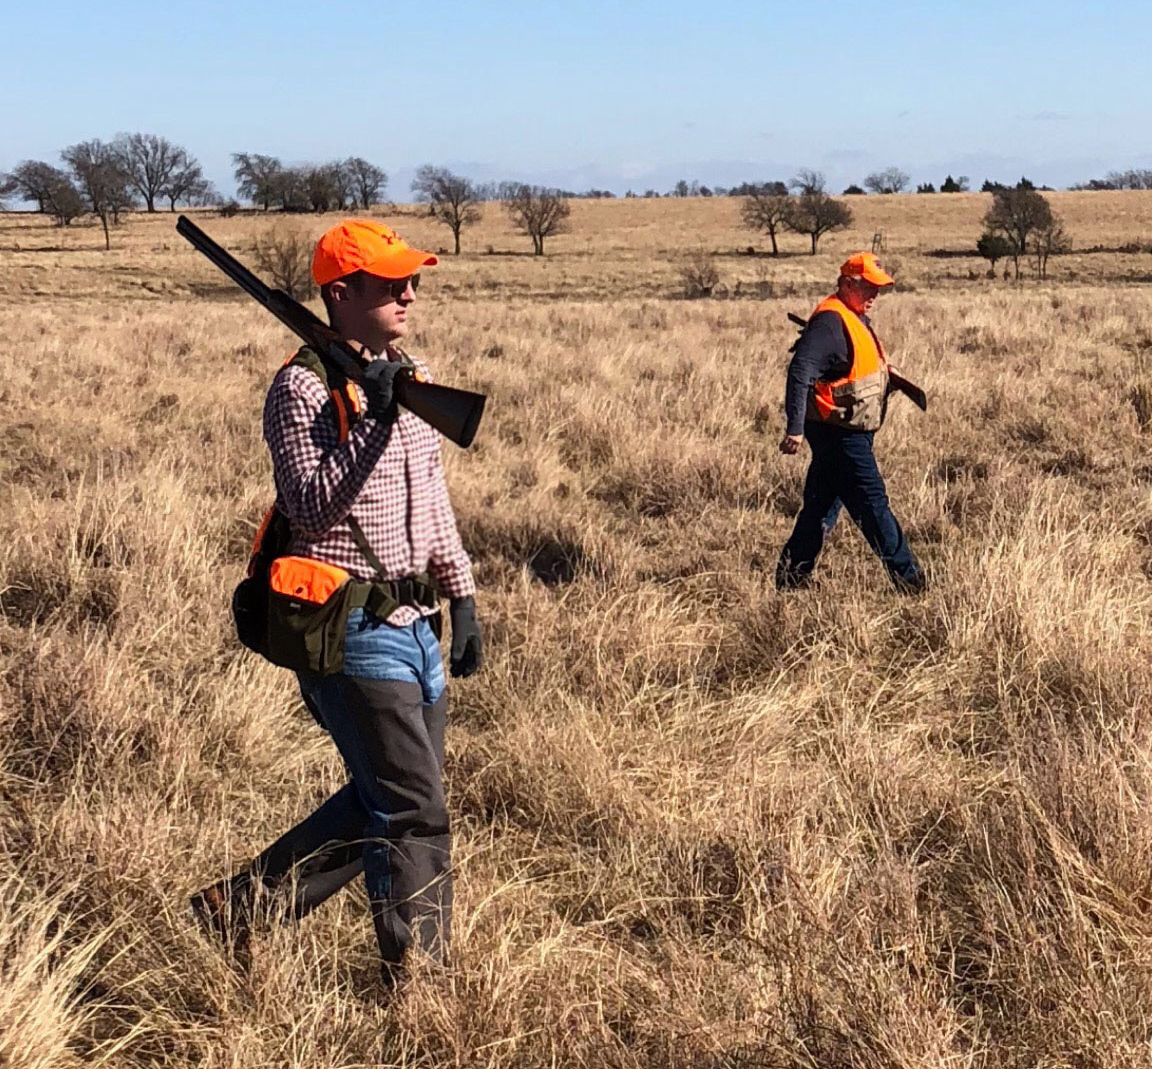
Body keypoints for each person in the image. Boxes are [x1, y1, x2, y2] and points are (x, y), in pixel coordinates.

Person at [191, 219, 483, 984]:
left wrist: (464, 592)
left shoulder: (406, 372)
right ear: (341, 294)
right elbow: (310, 504)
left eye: (412, 280)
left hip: (417, 626)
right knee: (413, 811)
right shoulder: (301, 387)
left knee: (387, 797)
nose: (409, 293)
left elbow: (432, 500)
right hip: (350, 628)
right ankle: (421, 987)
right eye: (390, 283)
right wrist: (374, 422)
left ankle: (242, 908)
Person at [775, 252, 925, 593]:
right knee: (872, 504)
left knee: (820, 507)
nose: (875, 295)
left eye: (878, 289)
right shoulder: (830, 322)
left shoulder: (854, 316)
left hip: (847, 429)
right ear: (847, 283)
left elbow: (852, 365)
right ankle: (910, 581)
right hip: (839, 433)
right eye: (869, 287)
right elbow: (800, 372)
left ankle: (790, 579)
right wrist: (795, 429)